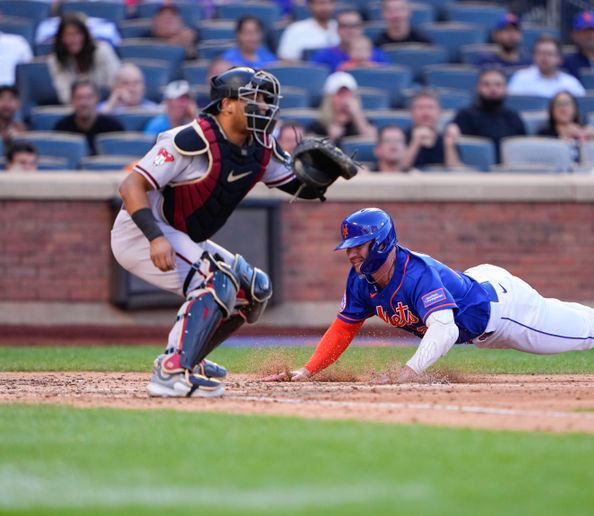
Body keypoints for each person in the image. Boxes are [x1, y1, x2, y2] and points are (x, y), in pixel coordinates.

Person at [111, 66, 355, 398]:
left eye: (266, 100)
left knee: (254, 290)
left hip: (180, 234)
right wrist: (155, 237)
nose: (264, 107)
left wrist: (327, 175)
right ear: (227, 104)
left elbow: (302, 187)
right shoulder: (190, 139)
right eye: (254, 98)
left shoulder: (261, 146)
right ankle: (170, 372)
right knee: (216, 281)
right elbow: (131, 184)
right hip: (141, 232)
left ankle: (190, 357)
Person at [264, 207, 594, 384]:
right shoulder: (362, 278)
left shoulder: (415, 274)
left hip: (501, 310)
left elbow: (442, 330)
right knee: (586, 327)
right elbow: (343, 327)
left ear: (380, 242)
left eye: (358, 246)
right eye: (349, 248)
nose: (351, 255)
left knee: (588, 329)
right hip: (475, 294)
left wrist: (407, 373)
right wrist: (307, 370)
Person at [453, 68, 526, 164]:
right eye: (486, 84)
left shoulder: (514, 118)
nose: (493, 89)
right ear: (478, 88)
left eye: (498, 85)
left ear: (505, 88)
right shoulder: (464, 116)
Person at [47, 12, 120, 104]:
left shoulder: (103, 51)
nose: (74, 39)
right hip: (75, 108)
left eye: (78, 34)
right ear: (61, 38)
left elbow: (116, 85)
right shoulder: (55, 60)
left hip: (106, 104)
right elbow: (65, 96)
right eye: (68, 35)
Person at [54, 80, 124, 155]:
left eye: (89, 97)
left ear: (97, 98)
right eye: (79, 98)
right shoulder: (61, 129)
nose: (84, 103)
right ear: (72, 100)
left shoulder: (114, 128)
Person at [307, 72, 376, 145]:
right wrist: (330, 138)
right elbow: (310, 148)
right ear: (329, 99)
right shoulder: (319, 126)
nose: (345, 100)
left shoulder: (363, 122)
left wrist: (357, 115)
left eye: (348, 95)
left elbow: (373, 142)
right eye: (340, 95)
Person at [311, 9, 389, 72]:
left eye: (354, 26)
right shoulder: (324, 56)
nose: (349, 31)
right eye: (344, 26)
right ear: (337, 29)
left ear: (361, 29)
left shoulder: (377, 55)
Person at [508, 35, 586, 98]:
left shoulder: (570, 83)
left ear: (559, 59)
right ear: (534, 56)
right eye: (540, 53)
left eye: (549, 54)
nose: (545, 58)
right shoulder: (521, 79)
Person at [403, 89, 462, 170]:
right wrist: (415, 143)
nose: (426, 112)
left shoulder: (446, 139)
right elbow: (399, 169)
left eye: (430, 107)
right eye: (420, 108)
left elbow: (455, 172)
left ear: (440, 112)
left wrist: (449, 146)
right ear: (411, 112)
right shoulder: (401, 137)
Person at [538, 91, 594, 162]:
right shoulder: (544, 133)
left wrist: (589, 137)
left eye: (567, 104)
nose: (563, 109)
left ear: (575, 108)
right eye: (559, 104)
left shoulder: (586, 130)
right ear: (552, 109)